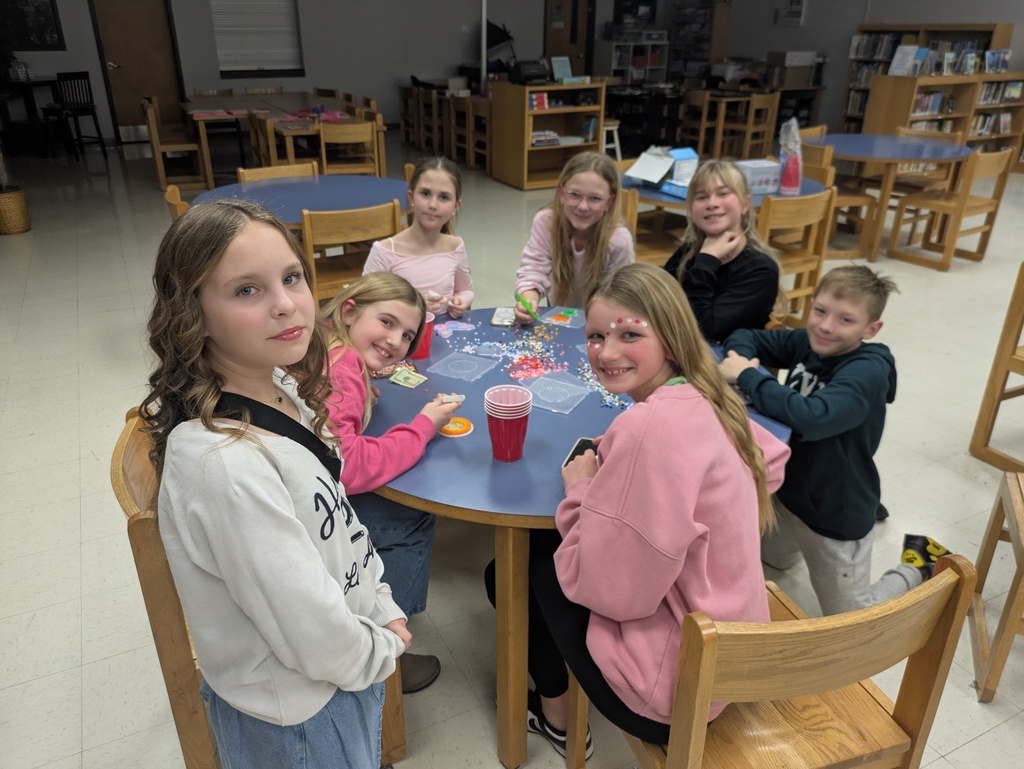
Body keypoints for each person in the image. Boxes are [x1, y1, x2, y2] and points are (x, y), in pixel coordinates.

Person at [142, 200, 408, 768]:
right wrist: (377, 653)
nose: (286, 304)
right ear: (193, 313)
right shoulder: (225, 465)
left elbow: (336, 516)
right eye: (246, 291)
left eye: (291, 278)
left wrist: (381, 602)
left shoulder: (279, 382)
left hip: (336, 674)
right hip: (300, 714)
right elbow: (309, 629)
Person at [487, 263, 790, 757]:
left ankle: (557, 718)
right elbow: (770, 464)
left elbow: (614, 594)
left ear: (669, 338)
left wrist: (583, 490)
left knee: (513, 571)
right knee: (543, 558)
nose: (606, 352)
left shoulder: (648, 429)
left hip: (677, 688)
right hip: (732, 643)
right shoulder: (710, 394)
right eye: (595, 336)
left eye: (630, 334)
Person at [719, 265, 949, 617]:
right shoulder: (808, 342)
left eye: (845, 320)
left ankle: (919, 565)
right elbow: (743, 336)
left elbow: (814, 417)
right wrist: (741, 359)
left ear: (871, 329)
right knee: (771, 562)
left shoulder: (867, 369)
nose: (826, 326)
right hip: (787, 495)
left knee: (855, 618)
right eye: (820, 311)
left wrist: (748, 376)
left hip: (834, 512)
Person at [321, 271, 463, 693]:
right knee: (412, 515)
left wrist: (361, 387)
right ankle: (383, 648)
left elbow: (327, 415)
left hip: (299, 490)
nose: (396, 342)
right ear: (350, 311)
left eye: (406, 335)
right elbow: (347, 466)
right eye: (386, 323)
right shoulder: (342, 364)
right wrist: (423, 426)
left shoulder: (332, 346)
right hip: (317, 514)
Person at [663, 159, 780, 342]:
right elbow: (656, 299)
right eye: (702, 197)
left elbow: (702, 330)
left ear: (745, 204)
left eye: (723, 193)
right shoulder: (689, 251)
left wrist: (707, 261)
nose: (712, 203)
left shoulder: (761, 270)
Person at [513, 151, 635, 323]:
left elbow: (622, 296)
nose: (583, 206)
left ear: (609, 202)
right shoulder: (547, 221)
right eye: (575, 195)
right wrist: (529, 299)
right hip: (558, 309)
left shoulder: (618, 240)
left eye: (595, 198)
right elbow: (533, 269)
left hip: (602, 319)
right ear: (561, 193)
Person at [362, 156, 474, 318]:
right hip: (398, 338)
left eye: (444, 197)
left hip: (443, 332)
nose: (433, 205)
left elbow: (466, 290)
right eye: (425, 193)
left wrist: (461, 301)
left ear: (456, 206)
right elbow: (365, 302)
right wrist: (414, 306)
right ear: (411, 196)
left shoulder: (455, 246)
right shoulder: (385, 251)